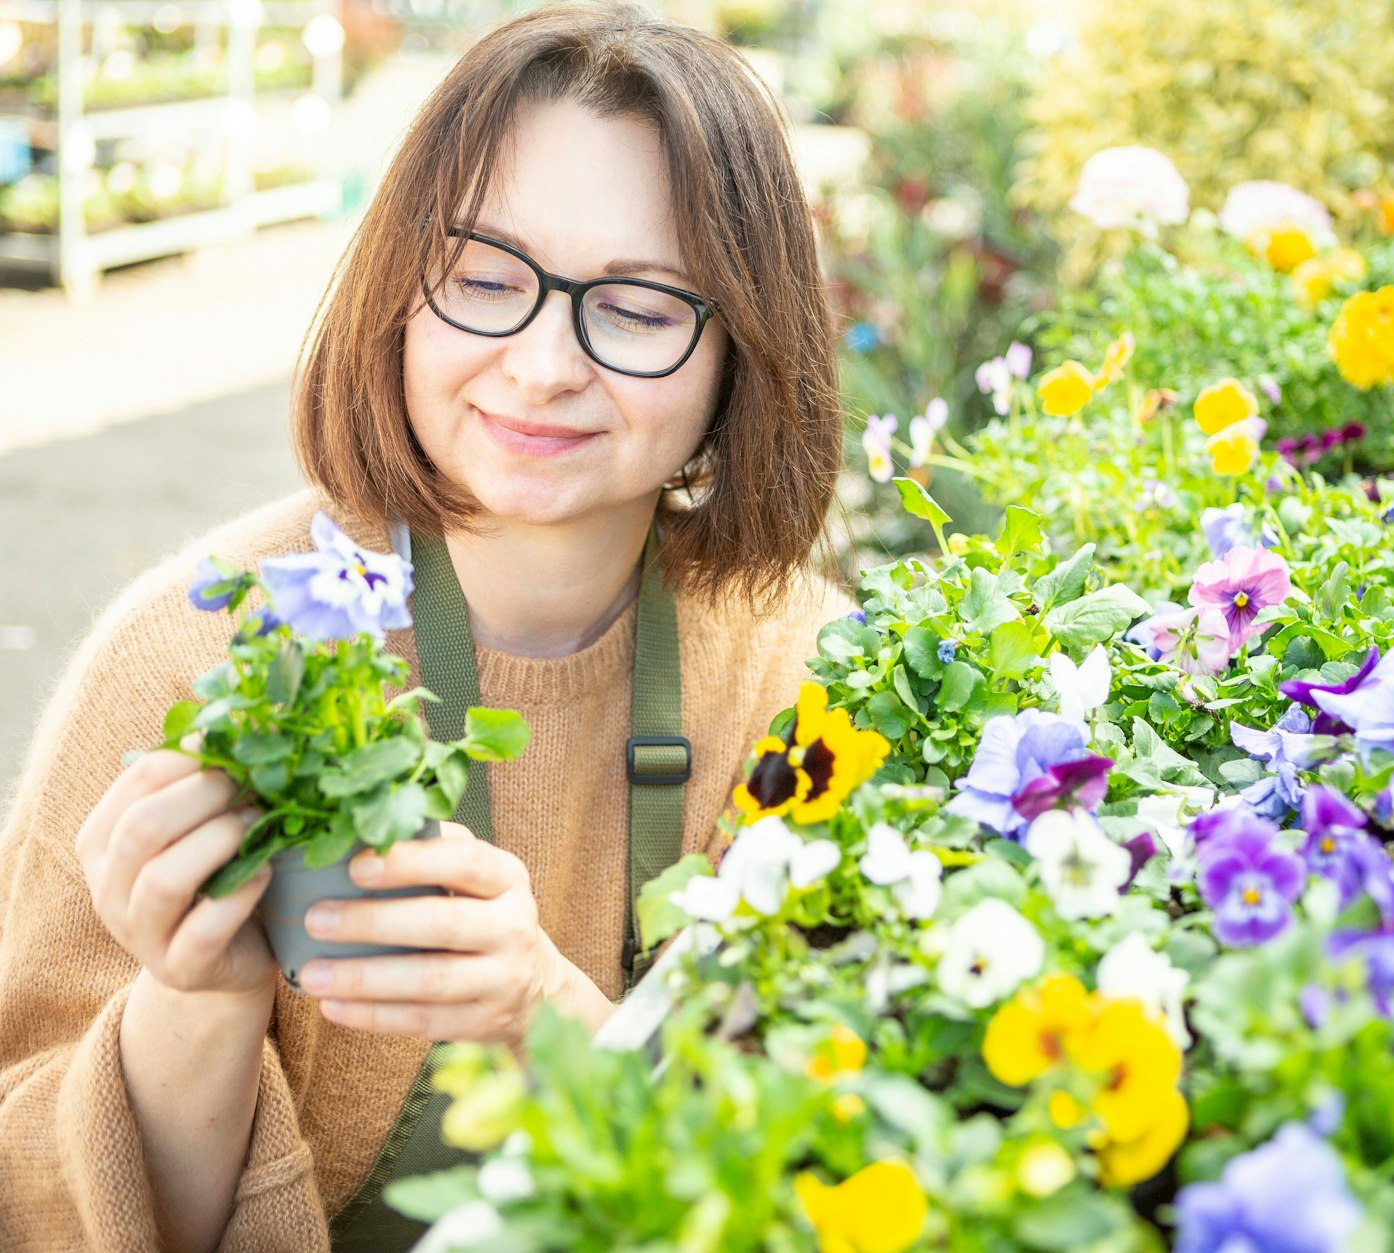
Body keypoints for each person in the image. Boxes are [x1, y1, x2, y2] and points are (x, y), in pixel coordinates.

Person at [0, 4, 849, 1248]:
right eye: (486, 279)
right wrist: (197, 1000)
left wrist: (542, 1013)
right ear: (399, 288)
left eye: (639, 305)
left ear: (744, 347)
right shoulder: (192, 656)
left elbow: (831, 1173)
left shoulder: (806, 679)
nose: (544, 365)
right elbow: (29, 1204)